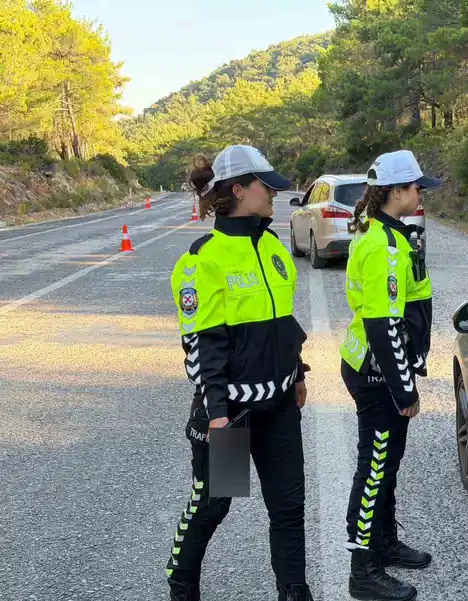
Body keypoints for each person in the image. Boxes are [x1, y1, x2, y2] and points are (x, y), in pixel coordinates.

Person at [165, 144, 313, 601]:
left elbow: (283, 321)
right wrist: (217, 413)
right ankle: (181, 582)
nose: (274, 194)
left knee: (288, 507)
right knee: (214, 503)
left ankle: (294, 591)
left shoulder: (271, 244)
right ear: (239, 189)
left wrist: (298, 371)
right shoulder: (202, 259)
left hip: (280, 405)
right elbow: (201, 347)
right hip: (232, 413)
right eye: (266, 186)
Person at [339, 150, 441, 601]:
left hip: (381, 368)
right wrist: (404, 388)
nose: (421, 194)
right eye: (417, 187)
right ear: (397, 191)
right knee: (375, 466)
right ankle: (362, 570)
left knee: (387, 463)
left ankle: (382, 543)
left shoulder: (391, 234)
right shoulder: (381, 243)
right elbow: (383, 325)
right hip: (376, 373)